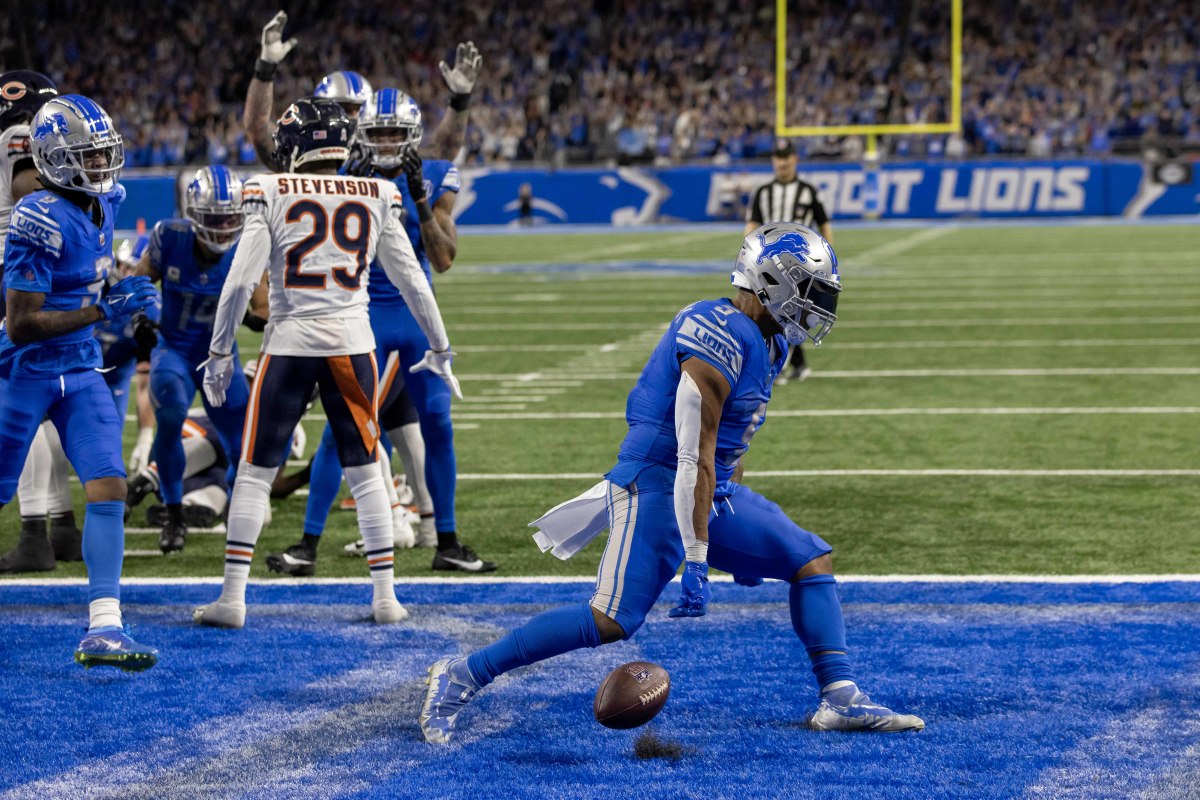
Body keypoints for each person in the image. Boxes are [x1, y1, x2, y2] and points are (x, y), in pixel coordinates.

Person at [419, 222, 924, 742]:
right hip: (657, 485)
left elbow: (727, 449)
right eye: (810, 291)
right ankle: (463, 673)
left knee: (808, 560)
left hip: (707, 486)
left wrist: (736, 531)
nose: (817, 306)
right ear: (772, 280)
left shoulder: (768, 339)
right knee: (612, 619)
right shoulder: (719, 331)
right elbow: (692, 455)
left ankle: (839, 697)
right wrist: (700, 553)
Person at [193, 98, 461, 629]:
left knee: (253, 472)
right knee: (366, 474)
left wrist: (220, 351)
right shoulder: (379, 193)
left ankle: (233, 599)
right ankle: (385, 596)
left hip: (289, 346)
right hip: (353, 346)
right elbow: (413, 279)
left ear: (295, 145)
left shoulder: (268, 189)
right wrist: (440, 346)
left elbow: (241, 282)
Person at [266, 87, 496, 577]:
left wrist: (417, 198)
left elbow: (443, 260)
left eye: (396, 132)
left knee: (438, 425)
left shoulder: (432, 176)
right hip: (364, 315)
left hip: (414, 316)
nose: (388, 141)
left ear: (413, 136)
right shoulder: (344, 176)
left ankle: (448, 541)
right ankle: (307, 543)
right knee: (341, 429)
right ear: (361, 136)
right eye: (378, 132)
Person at [0, 94, 160, 669]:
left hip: (79, 367)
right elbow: (21, 325)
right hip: (24, 369)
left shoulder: (104, 200)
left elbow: (94, 271)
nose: (100, 167)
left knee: (108, 483)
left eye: (102, 154)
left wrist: (122, 286)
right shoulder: (37, 214)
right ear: (54, 158)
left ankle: (104, 628)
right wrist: (103, 310)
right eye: (87, 157)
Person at [132, 165, 253, 553]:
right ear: (193, 215)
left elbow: (265, 308)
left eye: (230, 218)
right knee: (168, 417)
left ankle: (239, 503)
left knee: (241, 441)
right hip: (176, 350)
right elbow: (138, 281)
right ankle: (174, 513)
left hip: (220, 356)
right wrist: (141, 317)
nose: (222, 227)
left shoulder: (247, 243)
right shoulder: (170, 237)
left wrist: (257, 312)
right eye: (214, 218)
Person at [0, 69, 84, 573]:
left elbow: (30, 185)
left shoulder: (16, 134)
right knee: (47, 405)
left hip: (19, 265)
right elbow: (30, 182)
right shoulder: (18, 133)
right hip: (29, 261)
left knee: (20, 398)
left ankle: (35, 531)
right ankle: (61, 525)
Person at [243, 11, 480, 170]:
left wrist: (460, 98)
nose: (354, 117)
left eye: (360, 109)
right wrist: (265, 68)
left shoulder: (381, 152)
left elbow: (442, 150)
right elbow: (258, 130)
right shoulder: (303, 152)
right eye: (345, 109)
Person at [745, 138, 833, 384]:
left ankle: (780, 365)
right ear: (774, 160)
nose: (782, 162)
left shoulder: (808, 191)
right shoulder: (763, 192)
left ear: (794, 159)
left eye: (786, 157)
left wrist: (826, 256)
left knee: (788, 313)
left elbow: (824, 222)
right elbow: (752, 224)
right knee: (775, 313)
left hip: (800, 263)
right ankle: (797, 364)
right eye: (778, 157)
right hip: (770, 263)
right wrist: (748, 252)